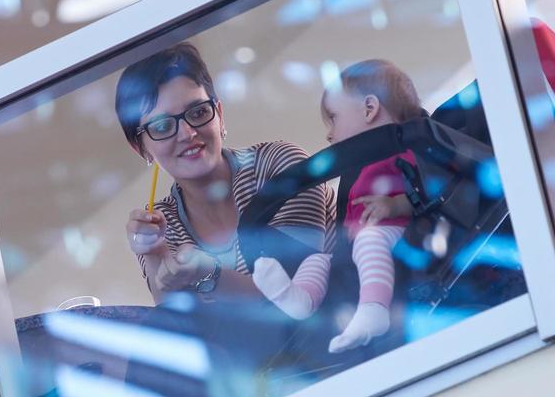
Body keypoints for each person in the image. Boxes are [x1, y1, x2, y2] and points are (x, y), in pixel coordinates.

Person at [119, 42, 336, 315]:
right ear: (140, 148)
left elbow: (291, 301)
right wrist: (155, 255)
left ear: (219, 115)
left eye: (198, 112)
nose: (187, 134)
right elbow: (180, 325)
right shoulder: (161, 224)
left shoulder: (279, 165)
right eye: (162, 126)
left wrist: (211, 275)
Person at [251, 59, 424, 353]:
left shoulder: (406, 149)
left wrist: (396, 204)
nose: (329, 133)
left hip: (394, 233)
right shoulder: (358, 168)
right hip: (358, 243)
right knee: (318, 259)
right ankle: (297, 298)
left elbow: (428, 192)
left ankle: (374, 309)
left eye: (333, 117)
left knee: (369, 240)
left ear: (370, 109)